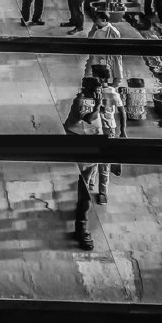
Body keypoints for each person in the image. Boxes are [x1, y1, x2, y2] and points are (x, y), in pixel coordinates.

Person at [63, 75, 104, 251]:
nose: (98, 92)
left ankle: (81, 220)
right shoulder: (81, 101)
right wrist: (98, 105)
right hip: (81, 148)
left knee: (87, 184)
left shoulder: (92, 99)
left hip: (93, 147)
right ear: (86, 89)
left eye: (99, 89)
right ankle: (81, 227)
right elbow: (88, 118)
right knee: (85, 190)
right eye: (95, 89)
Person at [87, 64, 127, 206]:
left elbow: (122, 112)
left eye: (94, 75)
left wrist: (123, 131)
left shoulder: (109, 92)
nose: (92, 77)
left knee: (102, 161)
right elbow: (121, 112)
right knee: (95, 158)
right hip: (100, 128)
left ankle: (101, 190)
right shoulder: (95, 91)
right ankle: (93, 184)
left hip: (104, 129)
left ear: (101, 78)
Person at [86, 11, 123, 83]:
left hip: (108, 56)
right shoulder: (96, 29)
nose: (95, 22)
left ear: (104, 20)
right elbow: (90, 38)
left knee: (108, 72)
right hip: (98, 55)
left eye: (97, 20)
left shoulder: (113, 31)